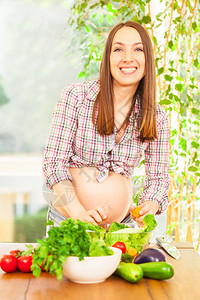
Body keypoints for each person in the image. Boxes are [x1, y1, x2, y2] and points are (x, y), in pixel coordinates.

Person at [43, 20, 170, 228]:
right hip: (68, 221)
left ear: (148, 58)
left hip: (122, 229)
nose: (128, 58)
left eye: (138, 49)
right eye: (118, 49)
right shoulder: (76, 97)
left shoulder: (157, 117)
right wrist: (79, 213)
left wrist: (150, 204)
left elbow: (158, 178)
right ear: (108, 58)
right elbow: (53, 164)